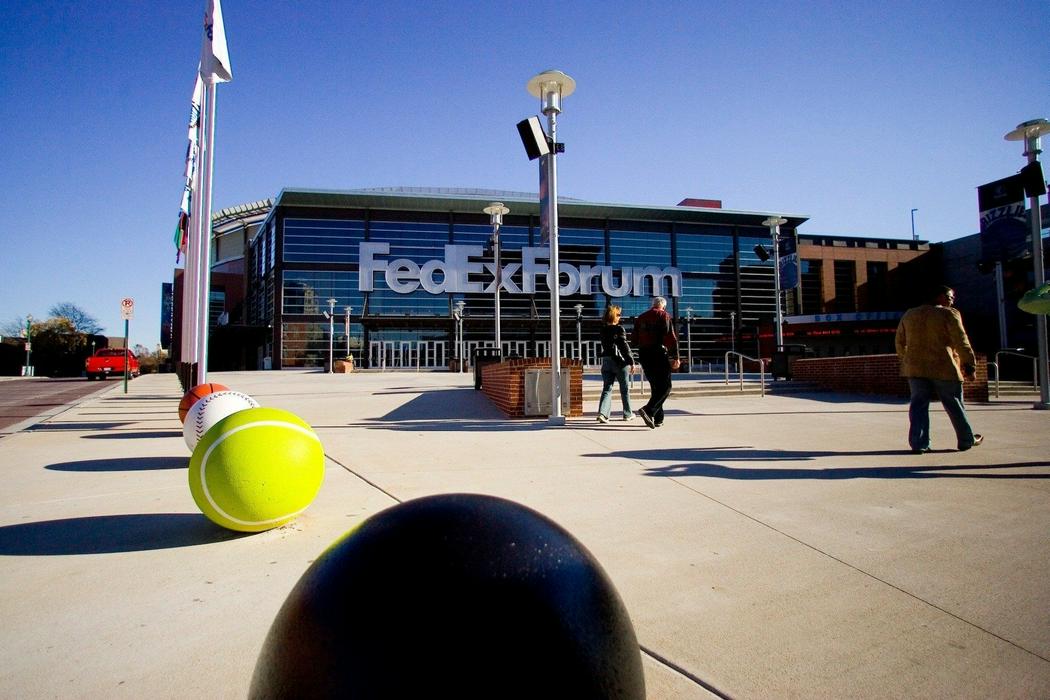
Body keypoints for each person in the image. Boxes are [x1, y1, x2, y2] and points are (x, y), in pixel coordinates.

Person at [895, 285, 983, 453]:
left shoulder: (910, 314)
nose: (952, 300)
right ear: (938, 297)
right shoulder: (949, 314)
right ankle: (966, 440)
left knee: (918, 406)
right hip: (944, 367)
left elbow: (899, 341)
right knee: (954, 404)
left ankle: (919, 443)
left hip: (915, 368)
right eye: (949, 297)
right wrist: (969, 365)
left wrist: (906, 359)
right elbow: (961, 341)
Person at [633, 296, 681, 428]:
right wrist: (675, 357)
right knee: (666, 386)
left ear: (652, 305)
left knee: (656, 387)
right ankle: (648, 410)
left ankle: (658, 419)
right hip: (658, 353)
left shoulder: (641, 317)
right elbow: (670, 337)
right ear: (663, 306)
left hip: (644, 354)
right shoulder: (664, 315)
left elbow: (634, 339)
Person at [596, 305, 635, 423]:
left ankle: (603, 414)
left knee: (607, 388)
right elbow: (624, 346)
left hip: (607, 361)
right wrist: (631, 361)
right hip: (619, 362)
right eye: (618, 315)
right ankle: (627, 414)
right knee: (624, 389)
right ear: (613, 315)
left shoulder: (603, 329)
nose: (620, 317)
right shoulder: (619, 329)